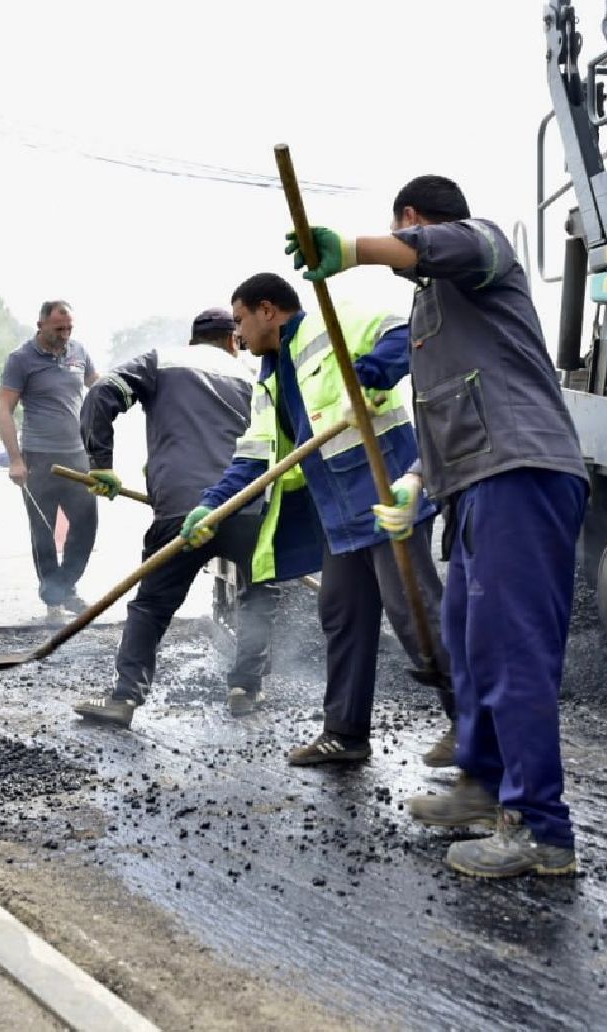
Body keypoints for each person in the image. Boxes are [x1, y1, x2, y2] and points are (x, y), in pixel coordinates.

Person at [290, 175, 590, 879]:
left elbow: (452, 242)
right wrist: (416, 480)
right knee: (467, 641)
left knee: (513, 654)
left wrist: (353, 248)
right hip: (472, 488)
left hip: (519, 472)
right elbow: (452, 407)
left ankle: (540, 829)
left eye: (403, 235)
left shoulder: (482, 251)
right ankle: (482, 787)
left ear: (410, 220)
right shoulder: (436, 316)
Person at [182, 272, 456, 768]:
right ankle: (346, 733)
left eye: (241, 319)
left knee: (416, 617)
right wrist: (212, 504)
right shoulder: (267, 379)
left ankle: (474, 726)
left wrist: (372, 374)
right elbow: (254, 456)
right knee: (342, 617)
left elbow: (407, 334)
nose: (237, 335)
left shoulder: (336, 320)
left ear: (269, 310)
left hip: (385, 495)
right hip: (338, 517)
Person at [71, 308, 276, 726]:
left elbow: (100, 394)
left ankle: (124, 699)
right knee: (259, 594)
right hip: (249, 502)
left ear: (192, 341)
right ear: (233, 341)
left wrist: (101, 464)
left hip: (183, 506)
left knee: (152, 604)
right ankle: (245, 687)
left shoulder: (161, 361)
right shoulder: (255, 376)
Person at [0, 300, 100, 614]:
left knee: (87, 523)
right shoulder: (21, 359)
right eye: (59, 329)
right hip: (39, 457)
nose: (65, 334)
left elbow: (97, 388)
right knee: (43, 530)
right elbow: (4, 409)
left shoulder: (79, 352)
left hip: (77, 455)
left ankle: (61, 587)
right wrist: (15, 460)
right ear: (41, 324)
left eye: (69, 328)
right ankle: (56, 595)